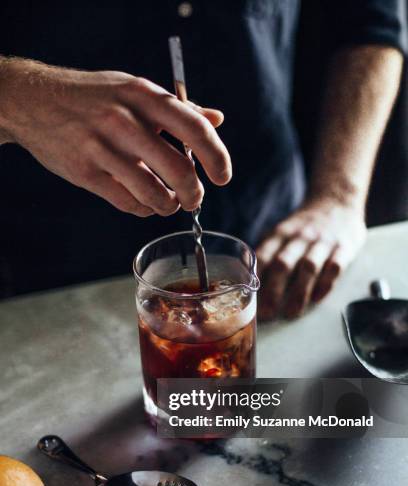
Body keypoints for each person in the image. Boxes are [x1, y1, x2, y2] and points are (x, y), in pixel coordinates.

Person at [0, 1, 406, 318]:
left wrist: (339, 195)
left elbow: (369, 21)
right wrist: (20, 98)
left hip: (272, 248)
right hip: (51, 272)